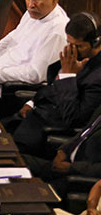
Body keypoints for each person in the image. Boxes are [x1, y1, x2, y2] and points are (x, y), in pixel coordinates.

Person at [7, 12, 101, 156]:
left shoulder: (97, 78)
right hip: (33, 116)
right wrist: (32, 102)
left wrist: (68, 76)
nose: (72, 50)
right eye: (69, 43)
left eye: (78, 46)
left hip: (47, 131)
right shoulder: (78, 58)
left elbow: (75, 118)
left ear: (96, 43)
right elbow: (52, 84)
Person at [22, 104, 101, 201]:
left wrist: (72, 167)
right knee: (20, 162)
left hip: (79, 176)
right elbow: (84, 133)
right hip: (63, 163)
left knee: (28, 194)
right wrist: (62, 151)